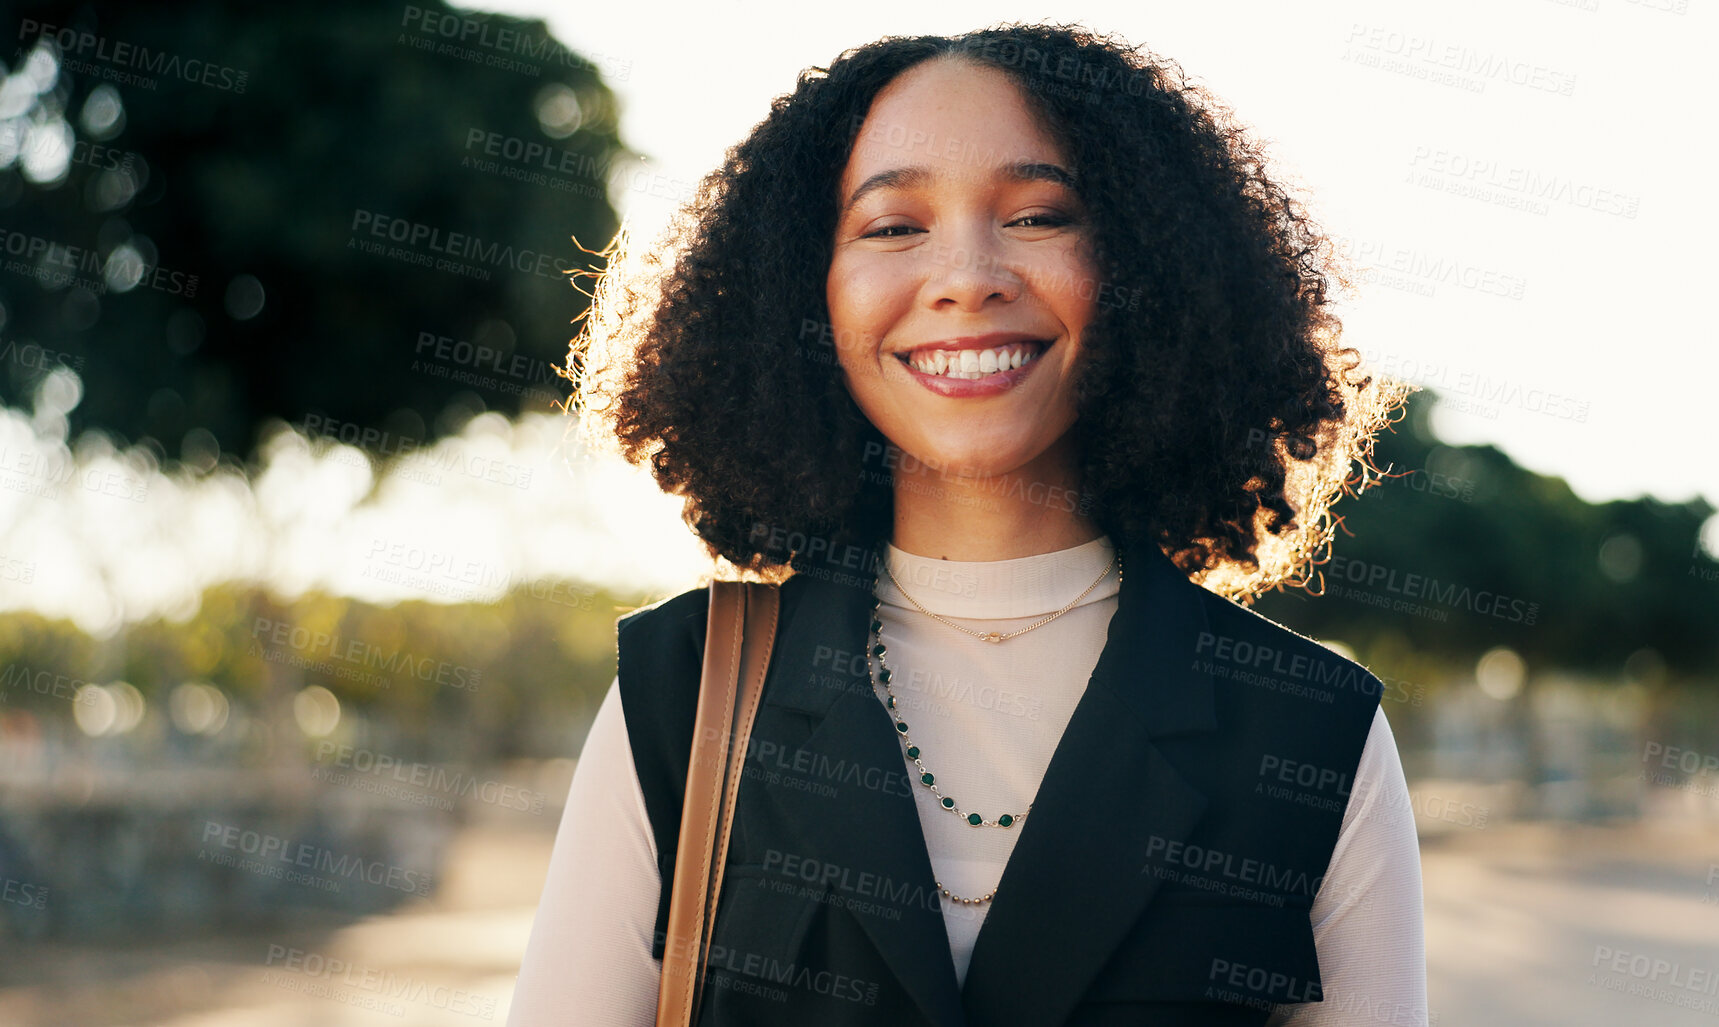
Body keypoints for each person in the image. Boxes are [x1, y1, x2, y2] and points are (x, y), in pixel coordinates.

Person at [509, 21, 1425, 1027]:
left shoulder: (1312, 730)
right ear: (797, 294)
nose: (966, 276)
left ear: (1144, 271)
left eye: (1037, 215)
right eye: (893, 227)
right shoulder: (683, 695)